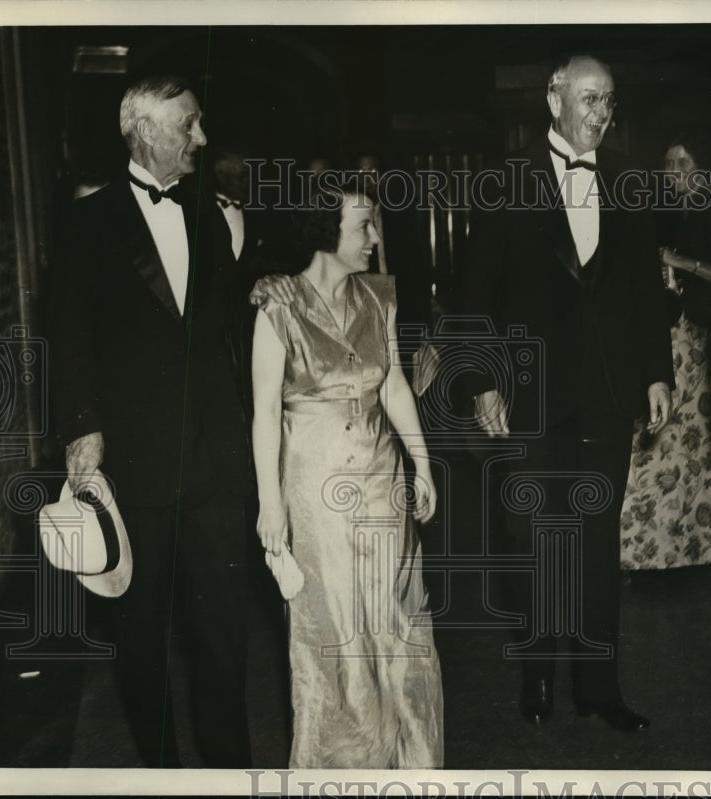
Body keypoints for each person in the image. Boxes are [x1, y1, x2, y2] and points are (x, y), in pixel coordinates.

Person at [461, 54, 674, 730]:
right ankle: (538, 678)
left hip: (608, 395)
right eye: (588, 99)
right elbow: (473, 294)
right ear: (554, 100)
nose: (600, 114)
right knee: (533, 543)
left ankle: (599, 689)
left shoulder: (627, 180)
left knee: (596, 543)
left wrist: (656, 371)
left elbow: (644, 291)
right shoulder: (506, 180)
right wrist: (479, 381)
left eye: (608, 100)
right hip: (530, 395)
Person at [47, 75, 252, 767]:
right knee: (143, 638)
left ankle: (231, 774)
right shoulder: (85, 222)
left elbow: (235, 326)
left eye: (198, 123)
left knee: (225, 636)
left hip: (217, 464)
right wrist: (81, 423)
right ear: (141, 133)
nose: (200, 137)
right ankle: (163, 770)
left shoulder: (212, 213)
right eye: (187, 125)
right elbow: (67, 334)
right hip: (132, 465)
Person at [250, 180, 444, 768]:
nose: (374, 237)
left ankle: (411, 767)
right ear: (324, 230)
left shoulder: (379, 297)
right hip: (314, 493)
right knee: (334, 634)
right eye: (363, 226)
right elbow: (263, 414)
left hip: (382, 484)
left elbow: (393, 383)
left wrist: (423, 463)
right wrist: (270, 505)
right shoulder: (277, 305)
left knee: (399, 626)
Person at [621, 133, 711, 569]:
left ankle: (710, 543)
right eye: (669, 166)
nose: (674, 174)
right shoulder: (676, 214)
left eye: (684, 164)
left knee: (702, 443)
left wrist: (679, 262)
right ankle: (662, 543)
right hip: (682, 331)